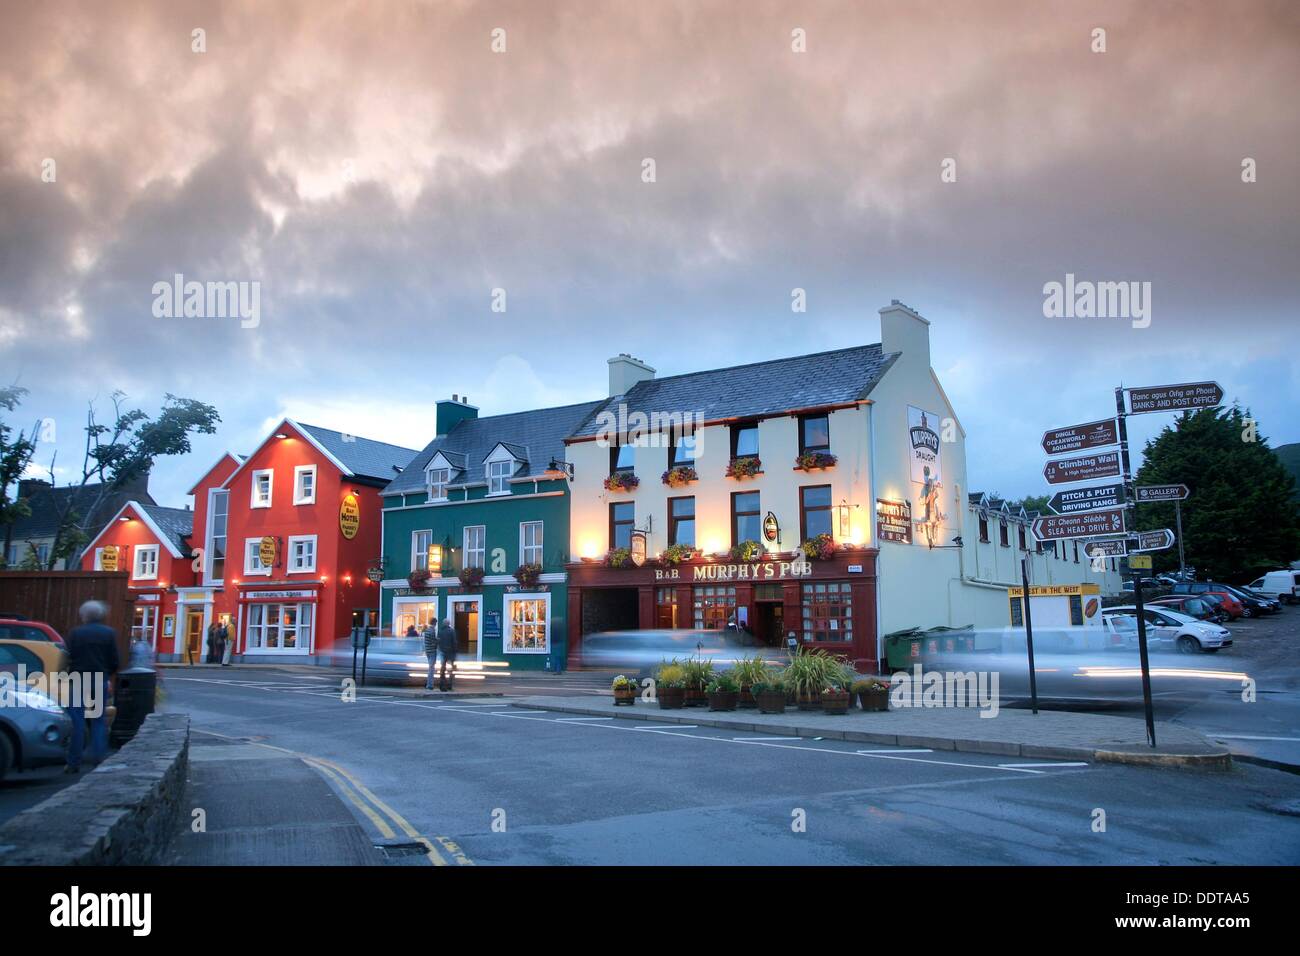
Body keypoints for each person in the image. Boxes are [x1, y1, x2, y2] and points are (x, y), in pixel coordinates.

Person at [65, 600, 120, 774]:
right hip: (99, 678)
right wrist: (107, 674)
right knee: (98, 721)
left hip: (79, 678)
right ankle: (98, 759)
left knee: (77, 721)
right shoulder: (108, 633)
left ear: (85, 616)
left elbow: (68, 657)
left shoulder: (76, 633)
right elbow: (114, 660)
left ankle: (74, 762)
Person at [436, 617, 457, 692]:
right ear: (449, 624)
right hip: (450, 653)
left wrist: (440, 649)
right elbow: (454, 642)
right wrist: (455, 652)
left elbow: (438, 641)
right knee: (451, 670)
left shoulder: (440, 631)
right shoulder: (452, 631)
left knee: (442, 669)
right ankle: (449, 685)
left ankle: (442, 685)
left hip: (442, 652)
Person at [421, 620, 440, 691]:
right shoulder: (432, 631)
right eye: (436, 623)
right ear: (434, 623)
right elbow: (433, 641)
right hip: (432, 651)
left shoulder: (427, 630)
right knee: (431, 669)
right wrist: (438, 640)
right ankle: (429, 685)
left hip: (427, 651)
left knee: (430, 667)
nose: (436, 624)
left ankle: (429, 684)